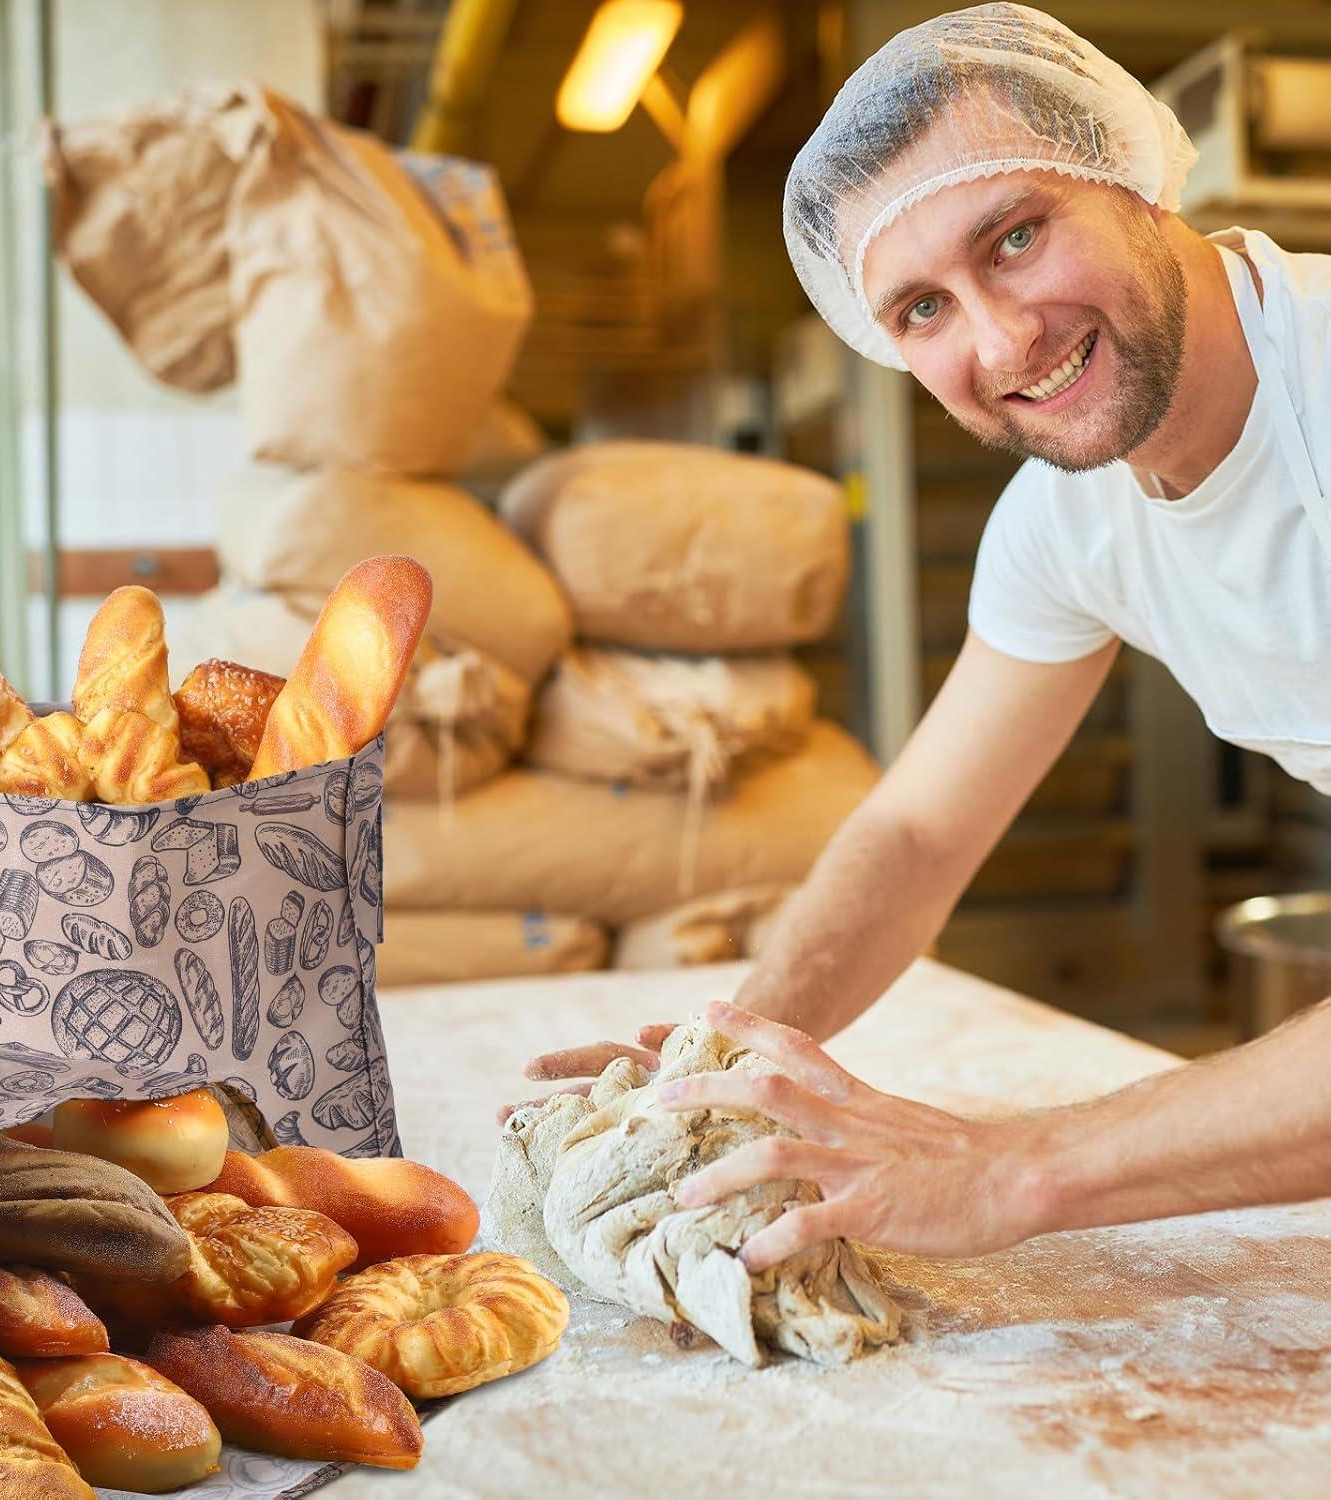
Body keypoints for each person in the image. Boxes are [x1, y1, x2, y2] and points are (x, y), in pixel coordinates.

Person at [510, 3, 1331, 1268]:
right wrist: (727, 1057)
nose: (1002, 340)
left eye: (1017, 235)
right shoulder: (1066, 523)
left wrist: (1009, 1171)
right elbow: (918, 831)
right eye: (922, 309)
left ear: (1135, 178)